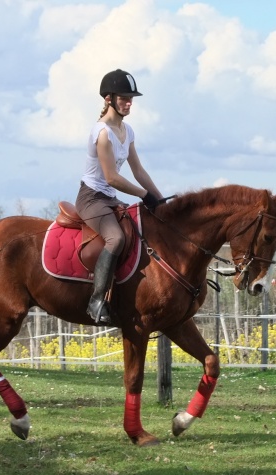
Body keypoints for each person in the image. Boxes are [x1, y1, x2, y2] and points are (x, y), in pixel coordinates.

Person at [76, 68, 164, 325]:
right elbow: (112, 177)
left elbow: (138, 170)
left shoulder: (128, 131)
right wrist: (143, 194)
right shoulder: (102, 132)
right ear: (108, 99)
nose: (129, 103)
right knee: (115, 238)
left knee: (141, 230)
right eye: (124, 98)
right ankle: (97, 300)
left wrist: (159, 200)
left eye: (131, 99)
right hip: (91, 198)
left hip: (109, 198)